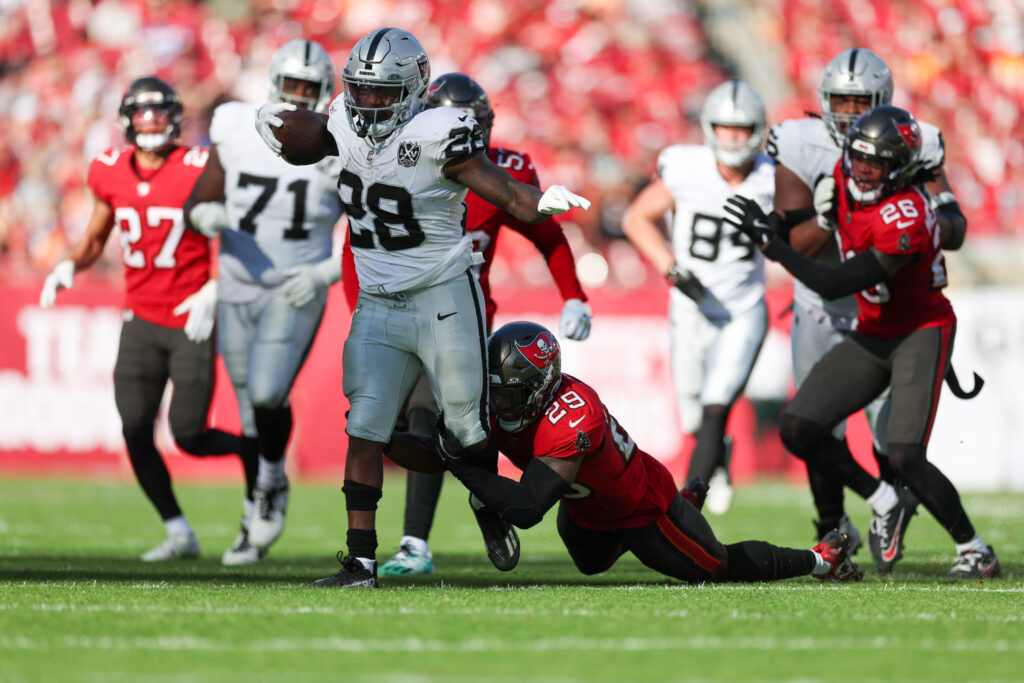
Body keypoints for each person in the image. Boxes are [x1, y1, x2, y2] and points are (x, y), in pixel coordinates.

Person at [253, 27, 590, 588]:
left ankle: (489, 505)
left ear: (413, 90)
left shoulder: (441, 133)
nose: (369, 103)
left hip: (443, 296)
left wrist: (541, 202)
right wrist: (276, 130)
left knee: (467, 429)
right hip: (379, 301)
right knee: (364, 429)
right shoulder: (343, 119)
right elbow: (312, 141)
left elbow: (504, 192)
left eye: (383, 92)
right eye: (361, 90)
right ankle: (360, 560)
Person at [723, 105, 1000, 579]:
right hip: (874, 328)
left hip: (919, 331)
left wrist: (774, 246)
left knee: (904, 454)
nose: (864, 170)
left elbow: (837, 283)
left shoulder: (906, 215)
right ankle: (882, 498)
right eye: (859, 157)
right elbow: (805, 216)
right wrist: (780, 221)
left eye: (877, 163)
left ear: (902, 169)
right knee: (799, 427)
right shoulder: (842, 174)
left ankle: (974, 549)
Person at [384, 321, 861, 586]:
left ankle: (821, 558)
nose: (499, 402)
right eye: (496, 391)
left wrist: (459, 463)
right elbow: (435, 454)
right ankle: (687, 503)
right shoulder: (505, 397)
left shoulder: (574, 416)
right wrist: (380, 437)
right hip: (585, 508)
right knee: (591, 565)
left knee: (717, 568)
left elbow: (528, 510)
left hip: (640, 508)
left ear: (539, 387)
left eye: (509, 393)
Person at [357, 73, 593, 577]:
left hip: (461, 317)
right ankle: (411, 534)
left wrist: (574, 295)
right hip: (396, 309)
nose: (473, 133)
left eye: (480, 123)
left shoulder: (498, 169)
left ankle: (425, 537)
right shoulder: (396, 160)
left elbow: (547, 235)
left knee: (447, 422)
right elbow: (354, 244)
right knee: (401, 424)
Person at [765, 48, 967, 556]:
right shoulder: (798, 140)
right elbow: (800, 243)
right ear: (823, 101)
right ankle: (832, 525)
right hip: (818, 300)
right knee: (814, 425)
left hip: (884, 311)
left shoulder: (911, 142)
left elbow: (954, 228)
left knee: (890, 437)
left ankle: (891, 513)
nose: (851, 112)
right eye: (841, 100)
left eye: (861, 101)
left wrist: (907, 220)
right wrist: (831, 220)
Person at [39, 76, 245, 561]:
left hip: (190, 314)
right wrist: (70, 263)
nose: (151, 121)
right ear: (126, 121)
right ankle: (178, 530)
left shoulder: (199, 165)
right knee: (134, 425)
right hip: (140, 318)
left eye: (159, 113)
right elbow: (96, 233)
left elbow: (232, 233)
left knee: (190, 434)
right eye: (142, 113)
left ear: (174, 118)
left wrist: (214, 289)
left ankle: (254, 454)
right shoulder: (108, 170)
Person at [184, 39, 345, 565]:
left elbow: (369, 225)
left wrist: (325, 271)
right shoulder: (234, 124)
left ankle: (273, 477)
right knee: (251, 414)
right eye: (292, 87)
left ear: (325, 94)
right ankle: (251, 521)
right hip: (235, 281)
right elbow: (203, 194)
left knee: (270, 392)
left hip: (293, 284)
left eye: (309, 90)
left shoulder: (341, 142)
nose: (298, 99)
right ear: (274, 84)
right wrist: (202, 214)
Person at [621, 79, 772, 515]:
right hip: (690, 306)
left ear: (758, 131)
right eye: (725, 127)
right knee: (693, 416)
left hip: (743, 308)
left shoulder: (772, 177)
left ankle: (687, 507)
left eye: (742, 128)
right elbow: (636, 218)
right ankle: (717, 457)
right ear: (709, 128)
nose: (733, 137)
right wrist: (670, 267)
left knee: (715, 404)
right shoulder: (687, 168)